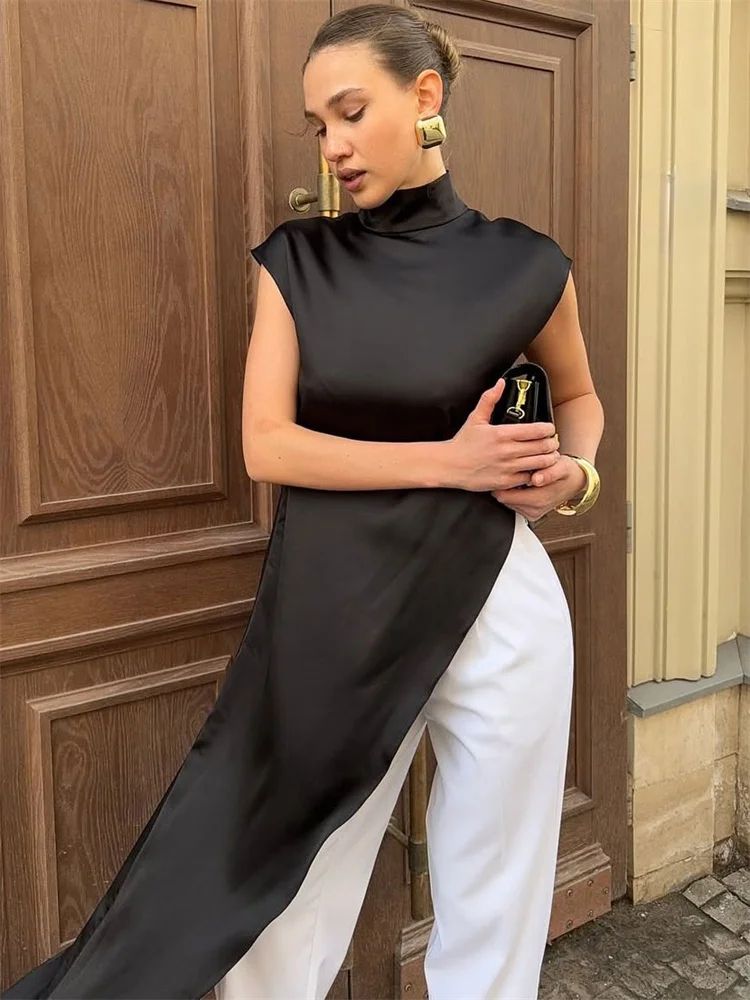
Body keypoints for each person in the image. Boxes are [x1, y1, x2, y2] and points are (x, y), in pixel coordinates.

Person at [3, 3, 604, 999]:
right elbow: (267, 445)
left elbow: (580, 399)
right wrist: (450, 462)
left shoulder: (529, 264)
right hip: (340, 608)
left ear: (425, 95)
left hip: (500, 601)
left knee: (497, 890)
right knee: (284, 887)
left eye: (351, 113)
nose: (332, 146)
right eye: (317, 125)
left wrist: (575, 475)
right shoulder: (299, 262)